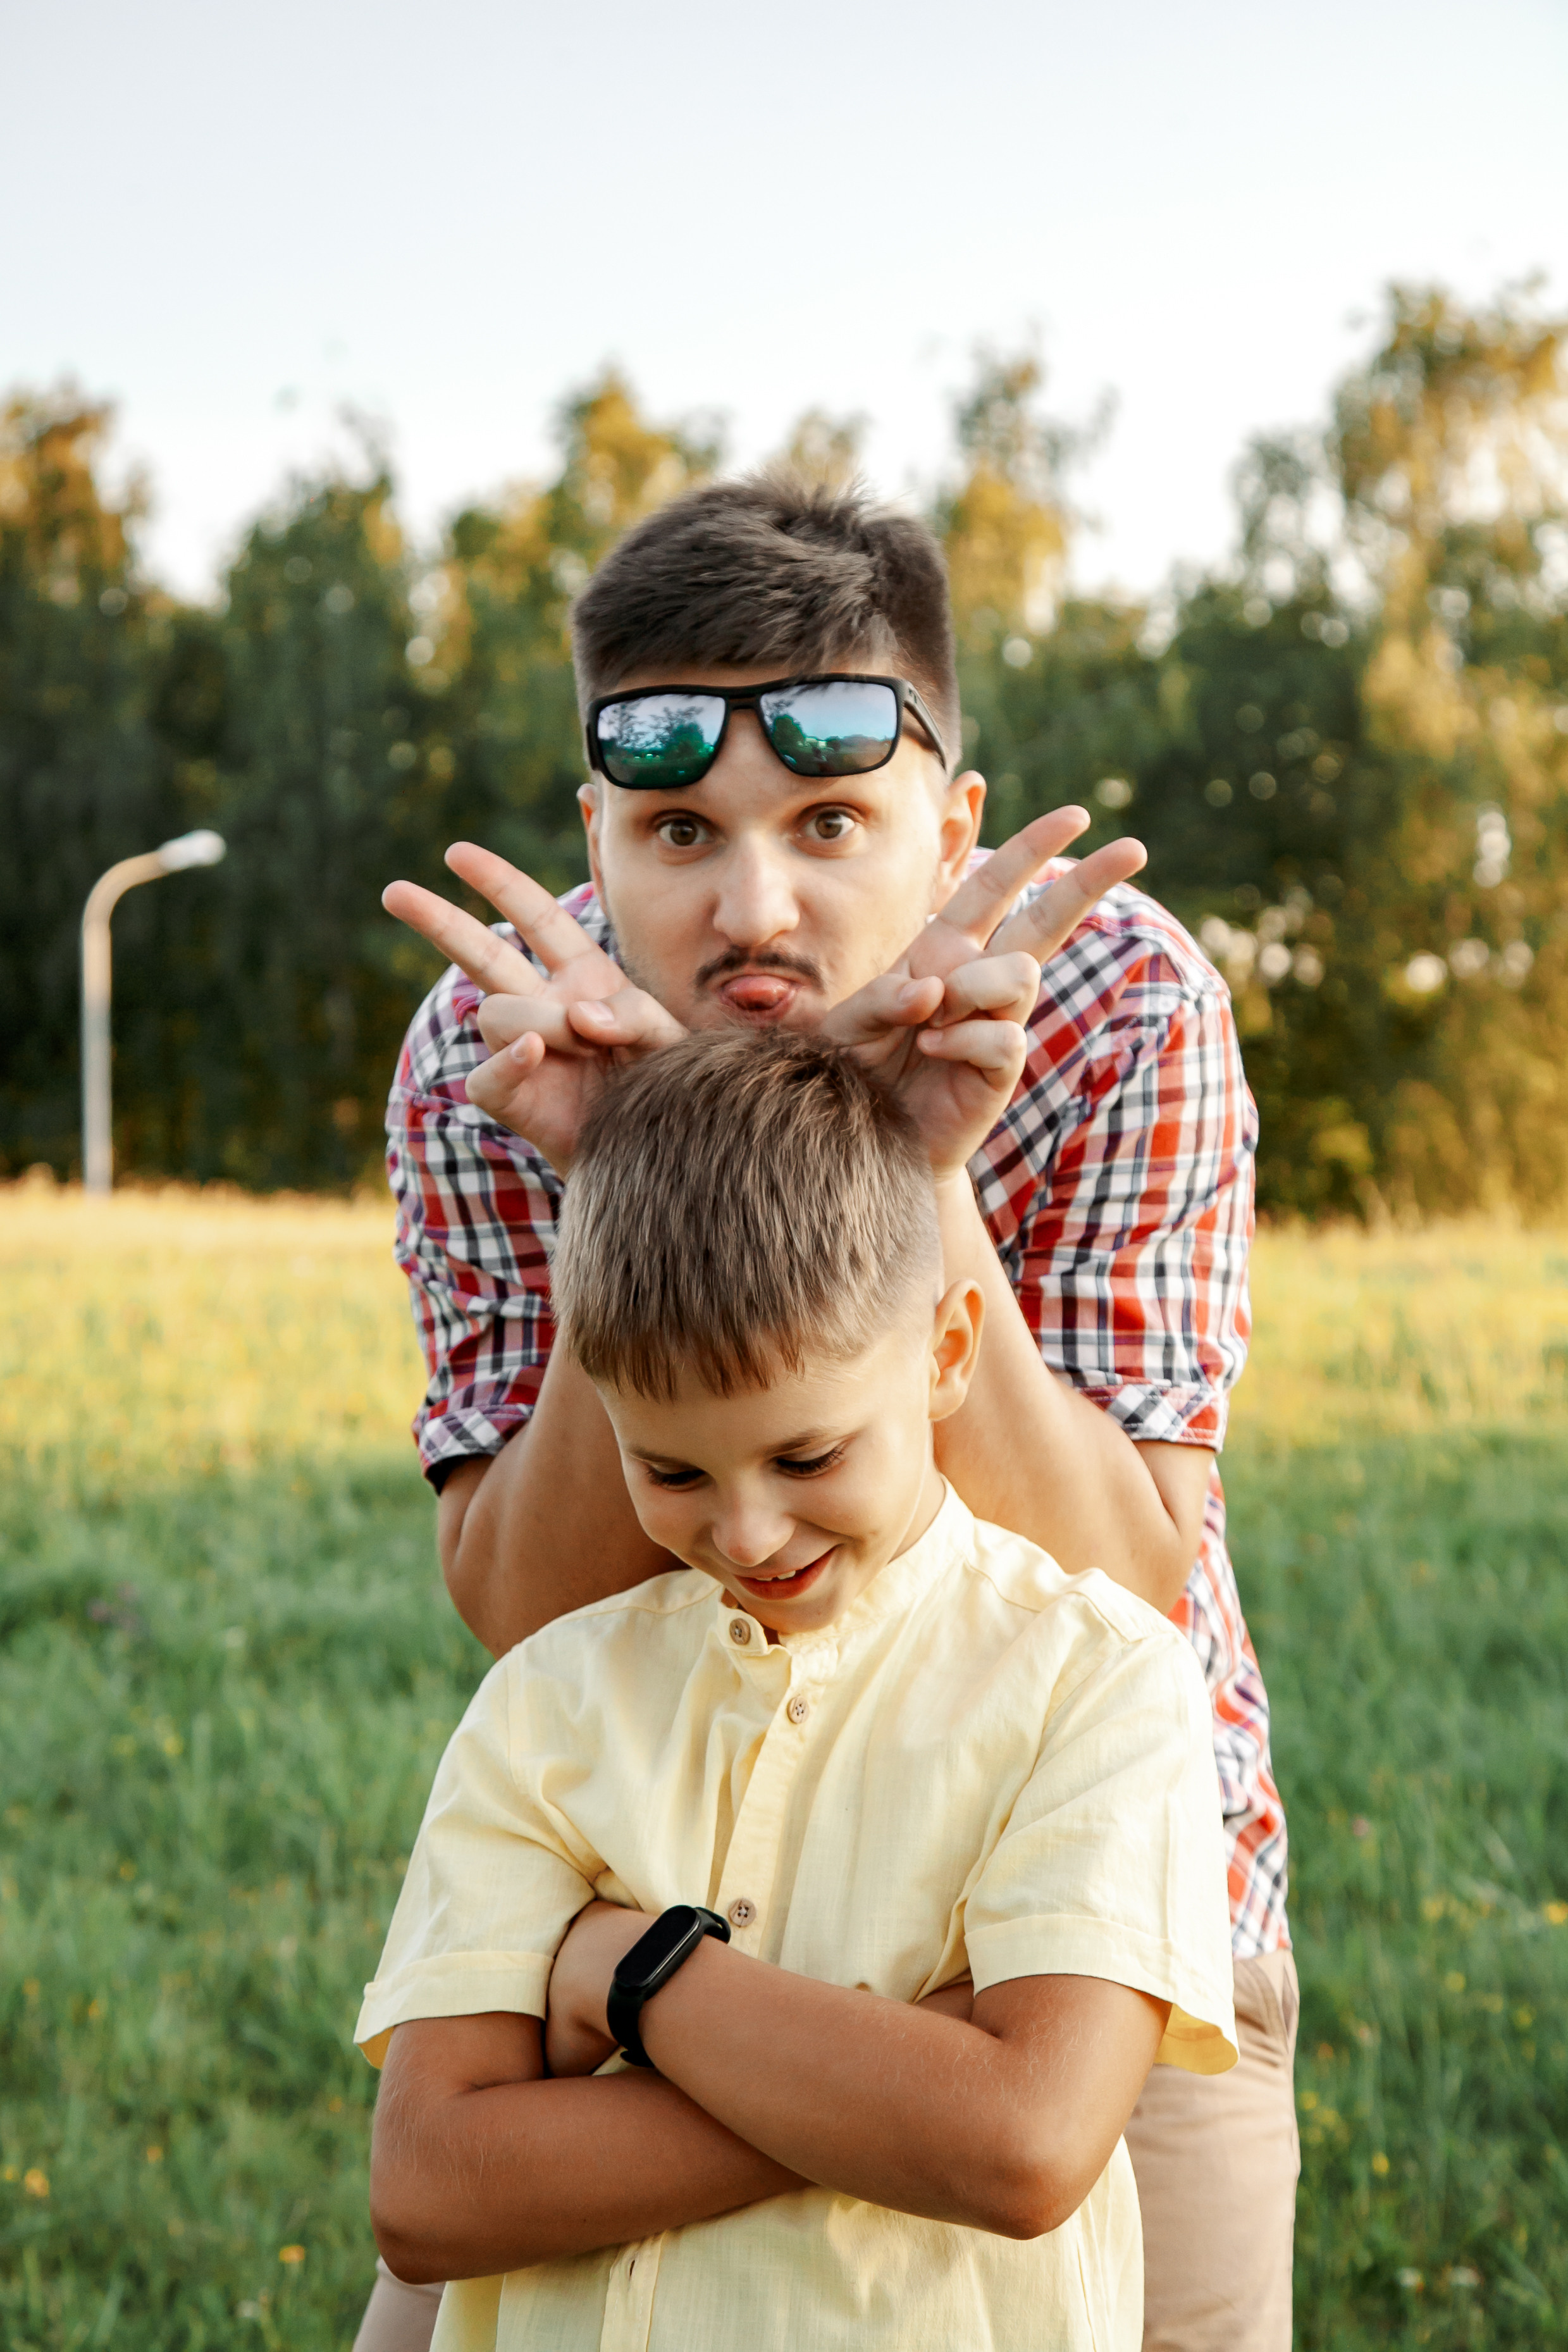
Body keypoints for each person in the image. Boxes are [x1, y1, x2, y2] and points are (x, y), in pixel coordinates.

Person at [363, 476, 1297, 2352]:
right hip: (654, 1856)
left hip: (1046, 1900)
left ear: (952, 823)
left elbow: (1118, 1572)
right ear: (595, 838)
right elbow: (535, 1611)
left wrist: (917, 1159)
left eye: (834, 822)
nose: (754, 903)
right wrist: (615, 1169)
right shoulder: (502, 1044)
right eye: (680, 831)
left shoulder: (1116, 1005)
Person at [356, 1029, 1240, 2352]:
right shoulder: (547, 1701)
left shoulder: (1094, 1676)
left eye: (809, 1451)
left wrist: (642, 1976)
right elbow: (427, 2186)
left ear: (945, 1351)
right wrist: (898, 2093)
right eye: (672, 1472)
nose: (752, 1532)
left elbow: (1022, 2146)